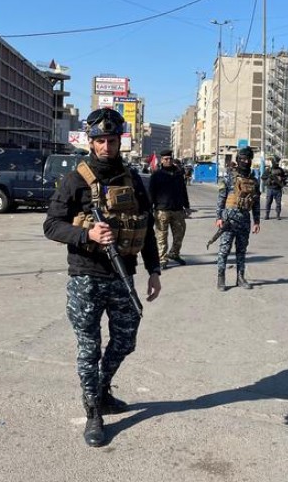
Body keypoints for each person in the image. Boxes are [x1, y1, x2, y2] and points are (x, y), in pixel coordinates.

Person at [43, 108, 161, 448]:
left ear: (119, 141)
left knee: (126, 341)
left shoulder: (132, 177)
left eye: (111, 140)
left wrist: (154, 270)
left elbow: (146, 227)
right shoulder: (75, 179)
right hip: (87, 277)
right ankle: (93, 409)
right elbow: (52, 225)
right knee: (89, 347)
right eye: (99, 141)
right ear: (90, 142)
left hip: (124, 276)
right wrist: (87, 235)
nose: (106, 147)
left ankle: (103, 387)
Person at [215, 146, 261, 291]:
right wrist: (218, 217)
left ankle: (240, 278)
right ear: (238, 159)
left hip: (244, 220)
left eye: (248, 159)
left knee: (241, 251)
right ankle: (221, 279)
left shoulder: (254, 181)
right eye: (242, 159)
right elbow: (221, 199)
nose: (245, 162)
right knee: (224, 250)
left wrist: (257, 221)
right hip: (228, 219)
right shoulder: (228, 177)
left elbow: (256, 203)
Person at [148, 149, 191, 269]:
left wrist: (187, 206)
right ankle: (162, 259)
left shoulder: (178, 174)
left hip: (177, 210)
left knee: (180, 234)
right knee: (161, 236)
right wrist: (149, 209)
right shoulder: (157, 175)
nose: (168, 161)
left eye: (170, 159)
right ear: (162, 160)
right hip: (162, 210)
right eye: (166, 159)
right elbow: (151, 193)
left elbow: (183, 191)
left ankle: (174, 253)